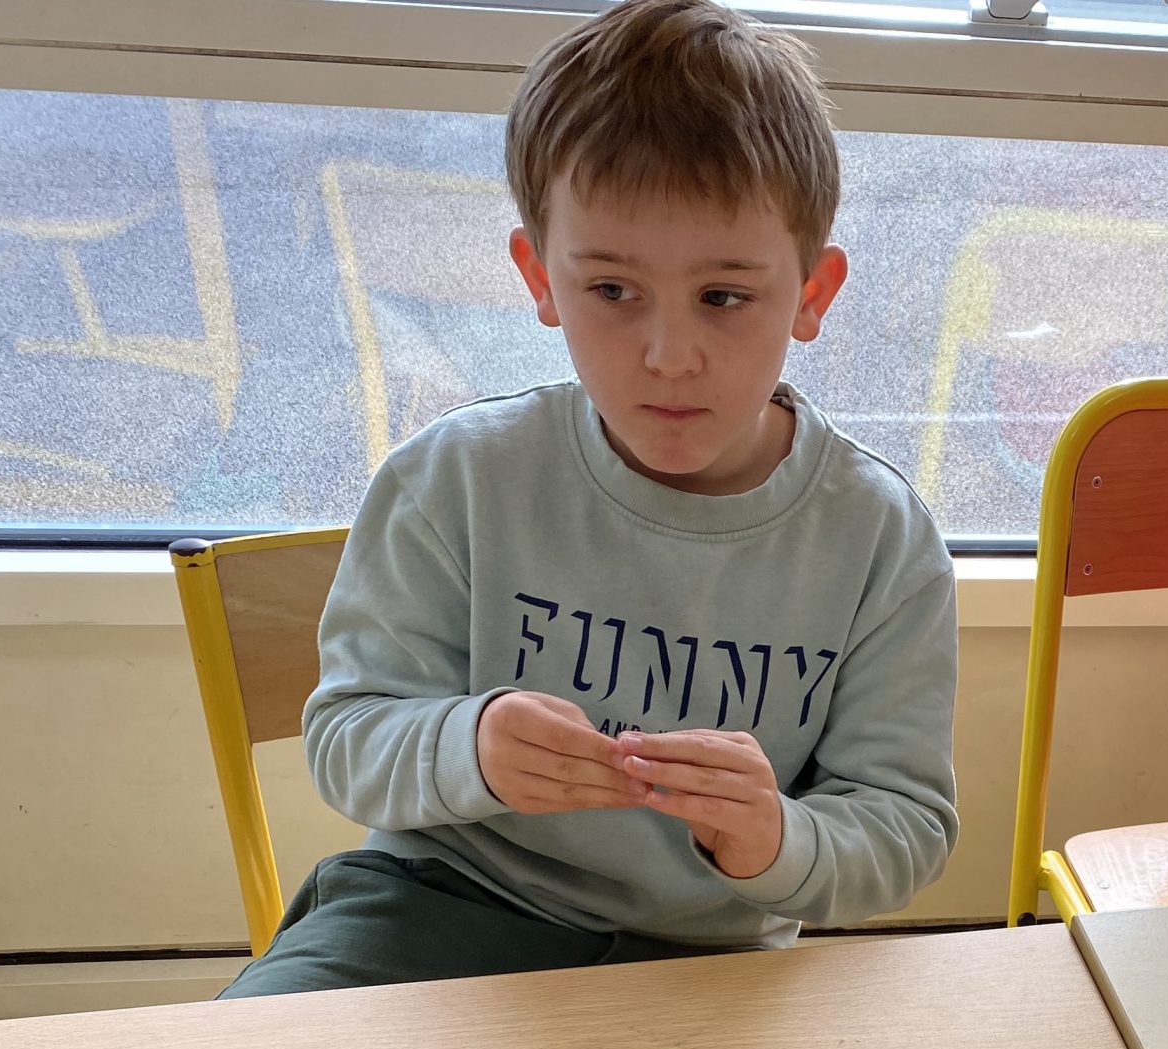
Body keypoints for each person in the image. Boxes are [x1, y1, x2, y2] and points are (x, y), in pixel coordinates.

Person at [225, 0, 956, 996]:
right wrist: (471, 748)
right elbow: (349, 740)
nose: (669, 354)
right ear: (539, 277)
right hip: (434, 907)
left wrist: (775, 837)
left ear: (812, 295)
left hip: (706, 956)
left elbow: (904, 825)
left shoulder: (879, 539)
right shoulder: (458, 479)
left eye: (724, 297)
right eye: (612, 290)